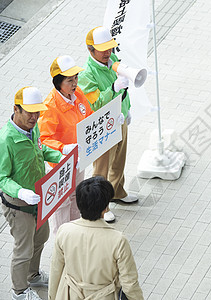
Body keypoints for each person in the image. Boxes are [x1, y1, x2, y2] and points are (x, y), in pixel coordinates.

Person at [0, 87, 63, 299]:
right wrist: (21, 191)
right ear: (16, 109)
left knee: (41, 237)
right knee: (23, 250)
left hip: (38, 200)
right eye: (29, 112)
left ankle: (33, 275)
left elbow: (41, 151)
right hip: (19, 205)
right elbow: (2, 178)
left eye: (37, 112)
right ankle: (19, 291)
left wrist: (60, 154)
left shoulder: (33, 129)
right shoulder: (4, 140)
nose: (34, 117)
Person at [78, 26, 138, 222]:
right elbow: (95, 104)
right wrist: (113, 88)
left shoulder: (113, 62)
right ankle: (102, 207)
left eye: (109, 48)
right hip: (103, 127)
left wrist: (126, 110)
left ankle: (117, 191)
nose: (107, 52)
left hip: (119, 119)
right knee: (101, 169)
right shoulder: (87, 75)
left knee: (119, 160)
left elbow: (124, 91)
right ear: (90, 50)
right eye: (102, 49)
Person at [48, 176, 144, 300]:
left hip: (69, 294)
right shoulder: (118, 240)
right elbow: (130, 284)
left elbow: (56, 270)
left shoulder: (64, 231)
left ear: (78, 204)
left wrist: (52, 296)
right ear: (105, 208)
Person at [38, 55, 94, 230]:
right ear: (58, 82)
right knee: (62, 204)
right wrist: (62, 148)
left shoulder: (77, 94)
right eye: (70, 80)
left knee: (77, 197)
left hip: (78, 159)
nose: (75, 83)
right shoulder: (50, 107)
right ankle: (62, 241)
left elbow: (89, 117)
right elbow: (43, 140)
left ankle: (75, 233)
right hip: (60, 165)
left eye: (76, 78)